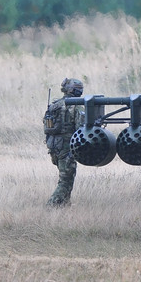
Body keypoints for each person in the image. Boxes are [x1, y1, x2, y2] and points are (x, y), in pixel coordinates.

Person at [44, 77, 85, 206]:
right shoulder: (76, 106)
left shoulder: (55, 105)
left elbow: (47, 127)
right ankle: (51, 205)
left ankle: (64, 205)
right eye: (78, 89)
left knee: (66, 177)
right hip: (67, 147)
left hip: (53, 145)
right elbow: (81, 128)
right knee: (65, 180)